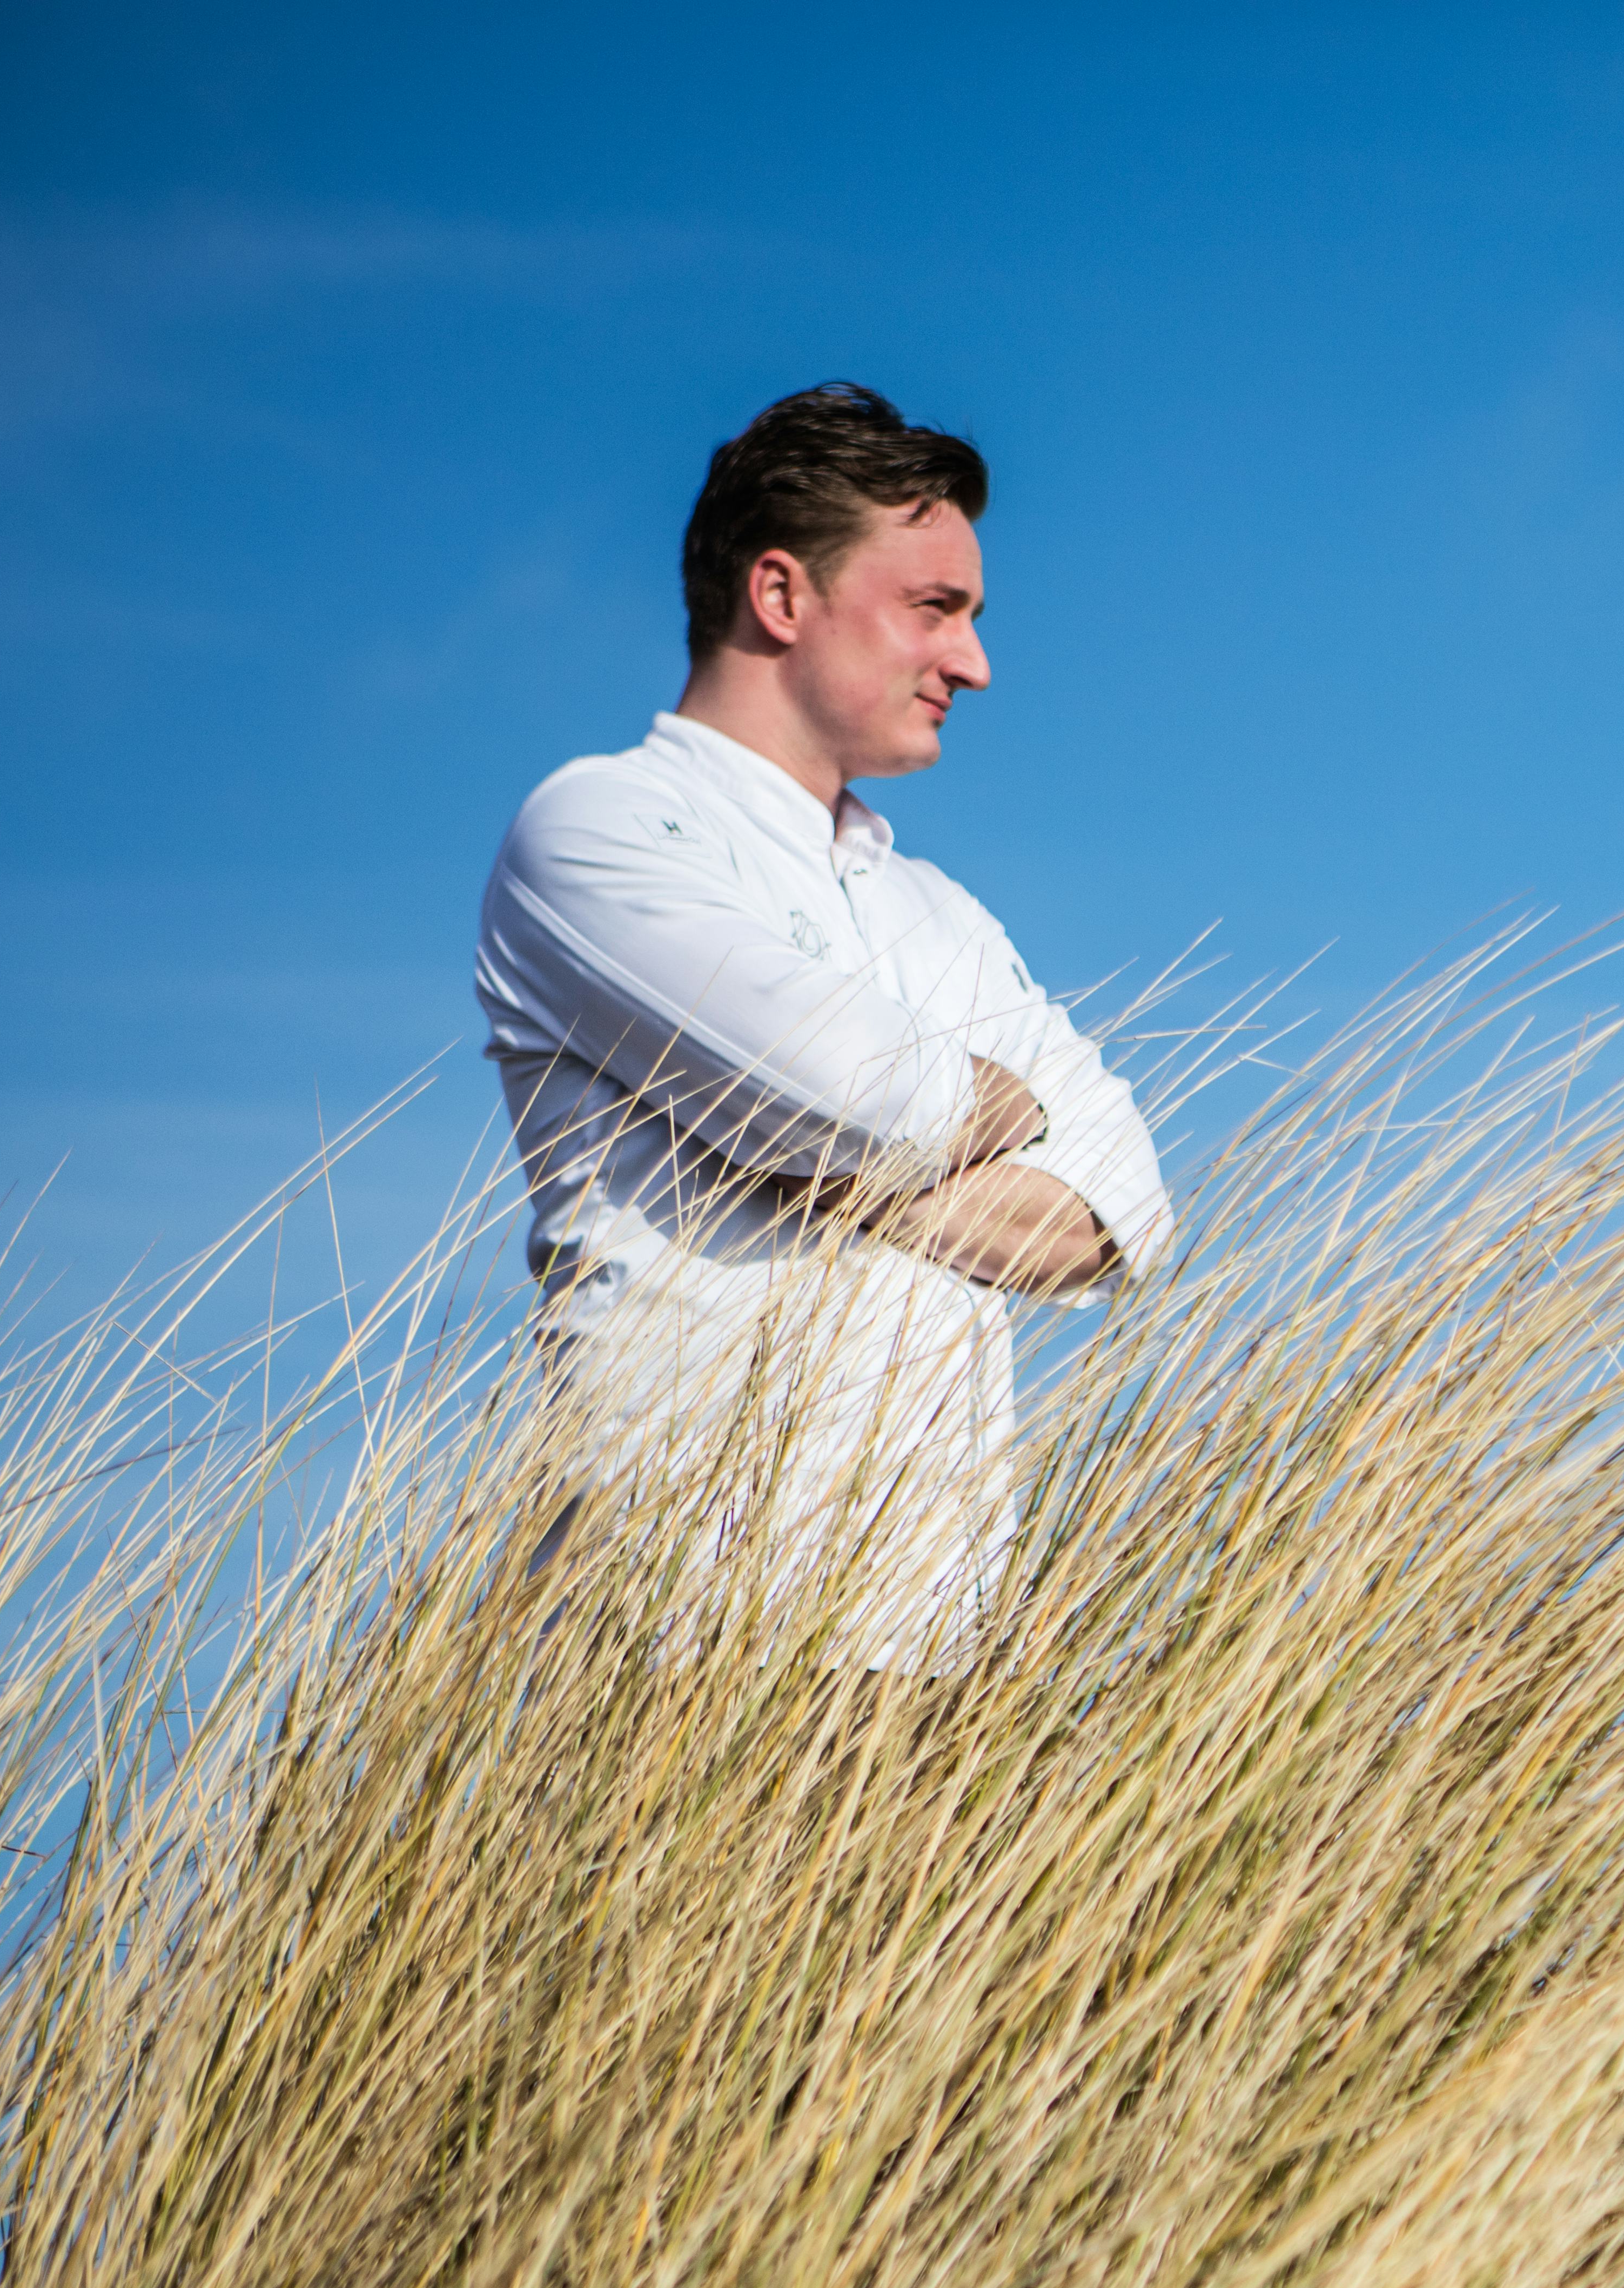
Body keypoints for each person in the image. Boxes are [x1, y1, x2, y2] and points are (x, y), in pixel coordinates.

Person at [474, 383, 1171, 1674]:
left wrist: (822, 1180)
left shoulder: (937, 910)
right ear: (782, 596)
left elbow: (1120, 1209)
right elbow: (851, 1099)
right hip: (676, 1645)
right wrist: (942, 1122)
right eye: (934, 610)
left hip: (944, 1659)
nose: (974, 663)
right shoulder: (598, 828)